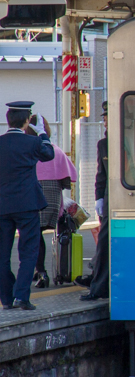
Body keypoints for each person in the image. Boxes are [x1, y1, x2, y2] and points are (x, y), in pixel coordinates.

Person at [0, 101, 56, 310]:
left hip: (2, 205)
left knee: (2, 255)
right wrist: (42, 133)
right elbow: (49, 155)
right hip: (27, 204)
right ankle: (21, 296)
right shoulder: (32, 143)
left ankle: (6, 298)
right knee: (29, 252)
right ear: (26, 122)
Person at [32, 116, 77, 288]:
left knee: (34, 234)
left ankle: (41, 272)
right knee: (44, 231)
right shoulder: (55, 150)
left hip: (34, 199)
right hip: (53, 204)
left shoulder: (29, 152)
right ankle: (50, 271)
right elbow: (68, 181)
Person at [82, 101, 108, 301]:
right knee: (104, 243)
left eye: (107, 116)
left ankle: (98, 285)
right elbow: (101, 174)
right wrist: (99, 196)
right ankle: (97, 286)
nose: (105, 120)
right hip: (110, 200)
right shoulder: (103, 144)